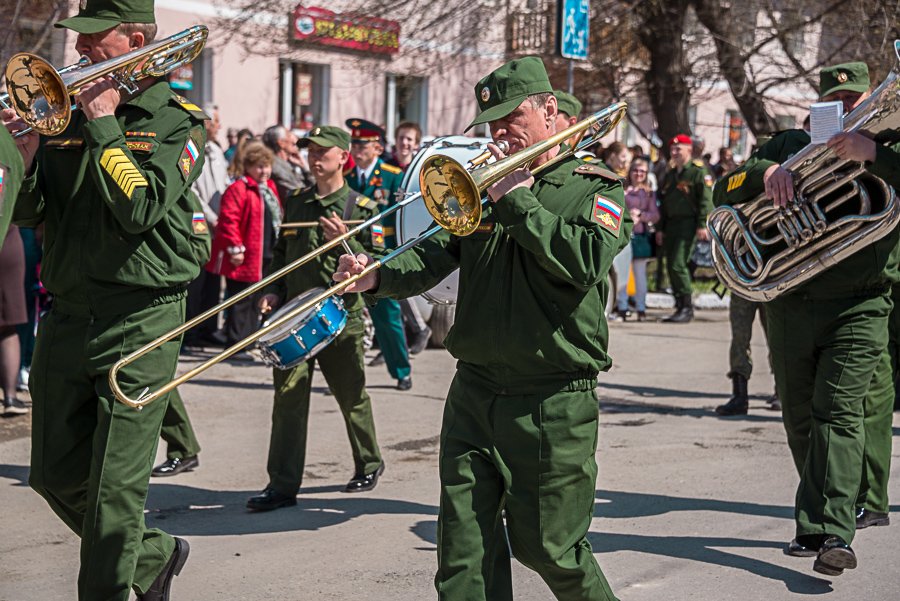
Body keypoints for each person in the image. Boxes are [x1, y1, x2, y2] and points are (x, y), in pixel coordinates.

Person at [334, 56, 629, 601]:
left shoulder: (593, 188)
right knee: (462, 557)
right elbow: (431, 257)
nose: (499, 132)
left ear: (548, 110)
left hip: (551, 397)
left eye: (510, 116)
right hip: (474, 390)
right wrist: (373, 276)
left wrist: (515, 197)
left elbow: (582, 261)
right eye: (490, 122)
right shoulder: (481, 186)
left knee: (549, 549)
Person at [1, 0, 209, 597]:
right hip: (68, 313)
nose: (78, 51)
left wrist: (104, 124)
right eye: (78, 38)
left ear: (136, 39)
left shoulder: (176, 120)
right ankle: (152, 558)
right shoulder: (62, 115)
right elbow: (31, 212)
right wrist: (22, 156)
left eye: (94, 38)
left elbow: (139, 207)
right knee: (53, 475)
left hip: (141, 318)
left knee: (115, 494)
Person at [713, 62, 899, 575]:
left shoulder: (891, 143)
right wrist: (765, 174)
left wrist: (875, 154)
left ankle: (837, 531)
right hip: (790, 304)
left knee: (836, 414)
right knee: (798, 416)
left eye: (856, 100)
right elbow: (722, 190)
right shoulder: (786, 143)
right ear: (819, 106)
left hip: (860, 304)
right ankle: (813, 526)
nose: (846, 110)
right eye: (835, 102)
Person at [247, 125, 385, 511]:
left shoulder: (363, 207)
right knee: (287, 400)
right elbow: (280, 254)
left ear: (344, 157)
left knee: (351, 396)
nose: (314, 157)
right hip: (294, 318)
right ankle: (282, 485)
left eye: (323, 151)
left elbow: (378, 264)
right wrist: (271, 291)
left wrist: (346, 239)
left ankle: (369, 462)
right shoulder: (296, 201)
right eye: (310, 150)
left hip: (341, 317)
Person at [345, 118, 412, 390]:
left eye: (362, 145)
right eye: (354, 144)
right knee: (348, 319)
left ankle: (401, 370)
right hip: (351, 254)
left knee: (387, 317)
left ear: (376, 147)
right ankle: (345, 375)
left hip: (382, 255)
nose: (356, 150)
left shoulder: (392, 175)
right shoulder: (347, 179)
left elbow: (401, 217)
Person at [207, 141, 281, 356]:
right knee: (241, 300)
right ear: (248, 166)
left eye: (267, 166)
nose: (264, 171)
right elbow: (228, 220)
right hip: (245, 254)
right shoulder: (238, 188)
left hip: (266, 253)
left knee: (257, 300)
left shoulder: (269, 188)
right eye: (259, 166)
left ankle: (249, 342)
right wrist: (235, 248)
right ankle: (235, 344)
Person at [182, 102, 229, 348]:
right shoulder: (191, 148)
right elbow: (192, 191)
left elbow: (224, 186)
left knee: (213, 281)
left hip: (221, 225)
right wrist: (212, 217)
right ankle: (189, 332)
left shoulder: (217, 152)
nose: (220, 127)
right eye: (217, 121)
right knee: (196, 280)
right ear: (206, 122)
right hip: (201, 223)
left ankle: (207, 328)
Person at [655, 134, 713, 323]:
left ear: (689, 150)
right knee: (672, 264)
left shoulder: (697, 171)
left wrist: (702, 224)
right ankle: (679, 305)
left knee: (678, 263)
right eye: (672, 149)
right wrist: (660, 228)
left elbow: (706, 199)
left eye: (678, 149)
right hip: (671, 224)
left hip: (688, 224)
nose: (674, 153)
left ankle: (687, 307)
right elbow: (665, 203)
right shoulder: (671, 174)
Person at [614, 156, 658, 322]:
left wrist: (641, 215)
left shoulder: (648, 193)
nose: (638, 174)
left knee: (640, 274)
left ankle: (641, 308)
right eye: (635, 170)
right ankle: (622, 307)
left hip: (639, 236)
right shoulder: (621, 189)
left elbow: (656, 215)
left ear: (646, 174)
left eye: (642, 171)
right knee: (622, 273)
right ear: (630, 171)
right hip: (623, 235)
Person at [262, 124, 315, 202]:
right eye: (289, 135)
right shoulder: (276, 168)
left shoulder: (283, 163)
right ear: (281, 143)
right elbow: (304, 194)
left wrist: (304, 166)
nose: (293, 140)